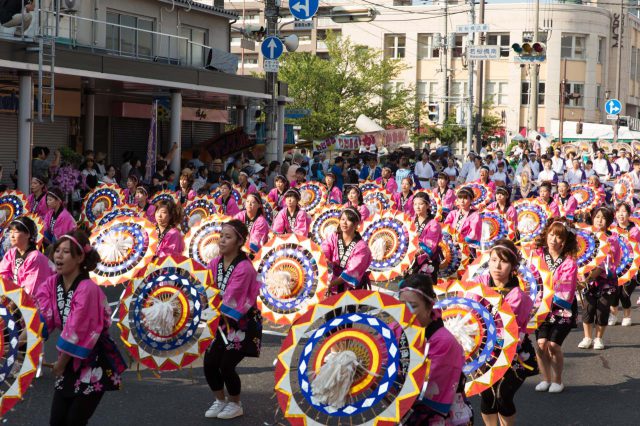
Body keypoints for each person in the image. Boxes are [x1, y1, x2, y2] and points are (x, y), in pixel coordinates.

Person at [34, 231, 126, 426]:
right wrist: (25, 341)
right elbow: (43, 317)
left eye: (66, 252)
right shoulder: (52, 284)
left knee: (75, 420)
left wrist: (61, 363)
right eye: (57, 250)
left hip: (92, 360)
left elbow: (78, 328)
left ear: (80, 257)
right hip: (68, 358)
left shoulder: (88, 289)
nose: (58, 255)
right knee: (57, 420)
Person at [204, 220, 261, 419]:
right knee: (209, 362)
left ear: (239, 242)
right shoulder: (214, 263)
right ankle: (220, 400)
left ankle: (236, 404)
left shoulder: (244, 267)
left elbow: (232, 298)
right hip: (221, 320)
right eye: (221, 236)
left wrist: (208, 306)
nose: (222, 240)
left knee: (226, 365)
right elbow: (206, 289)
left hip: (241, 323)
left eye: (228, 237)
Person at [475, 240, 534, 426]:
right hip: (481, 348)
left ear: (513, 266)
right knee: (487, 397)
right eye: (493, 260)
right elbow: (469, 312)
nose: (497, 266)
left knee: (503, 397)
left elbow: (504, 327)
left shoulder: (519, 296)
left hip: (511, 351)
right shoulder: (478, 284)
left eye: (503, 261)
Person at [399, 274, 469, 426]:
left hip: (431, 414)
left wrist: (382, 378)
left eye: (413, 305)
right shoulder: (396, 329)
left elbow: (426, 386)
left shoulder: (444, 342)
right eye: (401, 305)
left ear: (429, 306)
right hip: (403, 408)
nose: (406, 311)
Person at [532, 219, 578, 394]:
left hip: (561, 309)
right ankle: (546, 379)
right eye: (551, 234)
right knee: (541, 344)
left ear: (564, 241)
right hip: (539, 307)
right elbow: (529, 280)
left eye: (558, 237)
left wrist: (547, 290)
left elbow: (566, 290)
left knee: (553, 345)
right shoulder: (535, 256)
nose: (553, 239)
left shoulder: (569, 262)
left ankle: (558, 380)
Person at [578, 207, 621, 350]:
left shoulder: (613, 238)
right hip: (587, 278)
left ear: (608, 221)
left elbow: (609, 261)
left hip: (606, 279)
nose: (599, 220)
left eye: (603, 217)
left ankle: (598, 338)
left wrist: (595, 272)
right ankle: (587, 337)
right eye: (597, 217)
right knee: (588, 308)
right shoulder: (585, 235)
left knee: (602, 309)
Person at [320, 207, 372, 294]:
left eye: (349, 220)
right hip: (333, 281)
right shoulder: (334, 237)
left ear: (356, 224)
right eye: (342, 219)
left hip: (351, 288)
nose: (344, 222)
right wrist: (315, 260)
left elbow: (352, 271)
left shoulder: (362, 247)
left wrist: (330, 284)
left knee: (346, 306)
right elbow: (323, 251)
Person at [0, 217, 54, 294]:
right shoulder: (12, 253)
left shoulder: (36, 258)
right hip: (17, 297)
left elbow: (30, 290)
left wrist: (11, 303)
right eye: (10, 232)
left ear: (28, 234)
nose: (11, 236)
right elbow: (2, 274)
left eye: (16, 232)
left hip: (36, 302)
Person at [609, 203, 640, 327]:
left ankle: (627, 316)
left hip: (630, 266)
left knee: (624, 293)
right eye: (618, 211)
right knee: (613, 292)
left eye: (624, 211)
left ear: (629, 214)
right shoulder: (611, 229)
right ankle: (613, 315)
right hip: (614, 266)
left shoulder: (635, 230)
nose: (621, 214)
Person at [410, 192, 442, 280]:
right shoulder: (410, 221)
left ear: (428, 206)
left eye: (421, 204)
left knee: (423, 290)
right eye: (415, 204)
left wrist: (414, 252)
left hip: (427, 262)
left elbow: (430, 246)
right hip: (410, 259)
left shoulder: (433, 224)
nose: (417, 207)